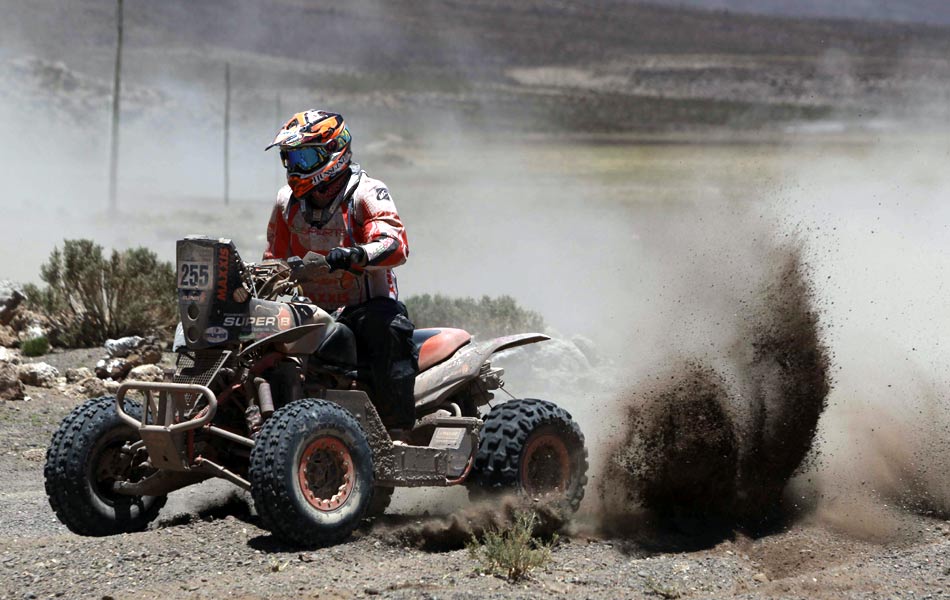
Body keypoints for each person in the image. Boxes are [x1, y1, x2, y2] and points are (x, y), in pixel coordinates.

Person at [263, 109, 417, 434]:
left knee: (384, 330)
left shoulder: (368, 193)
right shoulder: (286, 203)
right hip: (313, 310)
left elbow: (395, 245)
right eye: (290, 159)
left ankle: (397, 431)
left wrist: (346, 257)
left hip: (368, 307)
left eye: (305, 157)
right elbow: (273, 259)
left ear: (335, 151)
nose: (296, 168)